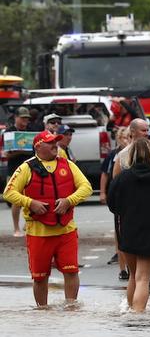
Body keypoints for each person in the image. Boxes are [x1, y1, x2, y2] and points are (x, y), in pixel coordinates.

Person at [2, 130, 92, 306]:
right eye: (50, 142)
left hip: (66, 230)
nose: (55, 145)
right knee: (40, 277)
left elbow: (86, 187)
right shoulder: (26, 167)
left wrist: (69, 200)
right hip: (38, 233)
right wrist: (30, 203)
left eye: (56, 142)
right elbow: (8, 193)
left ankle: (71, 309)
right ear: (38, 146)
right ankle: (42, 312)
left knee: (71, 271)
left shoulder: (68, 164)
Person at [107, 138, 150, 312]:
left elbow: (112, 203)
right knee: (144, 278)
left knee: (133, 277)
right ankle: (139, 315)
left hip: (129, 228)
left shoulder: (123, 178)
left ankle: (130, 311)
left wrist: (124, 212)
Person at [101, 127, 131, 277]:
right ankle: (122, 269)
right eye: (124, 137)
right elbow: (106, 175)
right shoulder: (115, 155)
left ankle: (131, 266)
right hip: (120, 198)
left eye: (129, 137)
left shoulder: (135, 154)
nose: (127, 140)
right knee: (120, 234)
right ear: (119, 139)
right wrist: (102, 192)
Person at [6, 107, 33, 236]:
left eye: (27, 118)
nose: (25, 121)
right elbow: (7, 154)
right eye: (23, 118)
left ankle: (27, 224)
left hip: (30, 169)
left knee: (31, 197)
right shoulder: (9, 132)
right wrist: (21, 151)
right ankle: (16, 228)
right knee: (16, 200)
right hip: (15, 169)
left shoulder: (31, 131)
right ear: (16, 117)